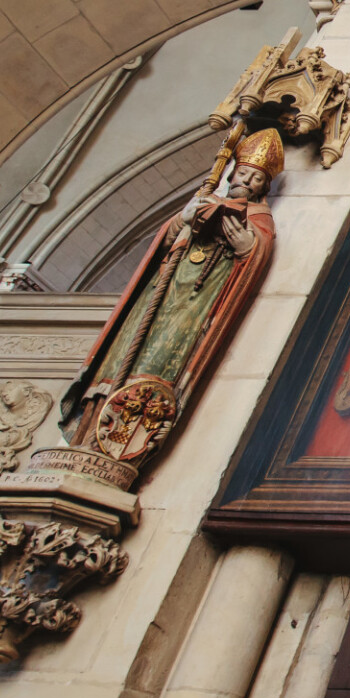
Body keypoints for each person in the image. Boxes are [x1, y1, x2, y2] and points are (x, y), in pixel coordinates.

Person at [64, 128, 282, 455]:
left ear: (265, 187)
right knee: (123, 356)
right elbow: (164, 242)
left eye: (256, 179)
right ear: (232, 173)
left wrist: (246, 244)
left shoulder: (260, 218)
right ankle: (88, 434)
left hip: (198, 302)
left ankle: (125, 444)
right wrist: (184, 220)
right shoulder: (206, 201)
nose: (247, 182)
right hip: (162, 291)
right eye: (243, 174)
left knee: (159, 361)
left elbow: (257, 251)